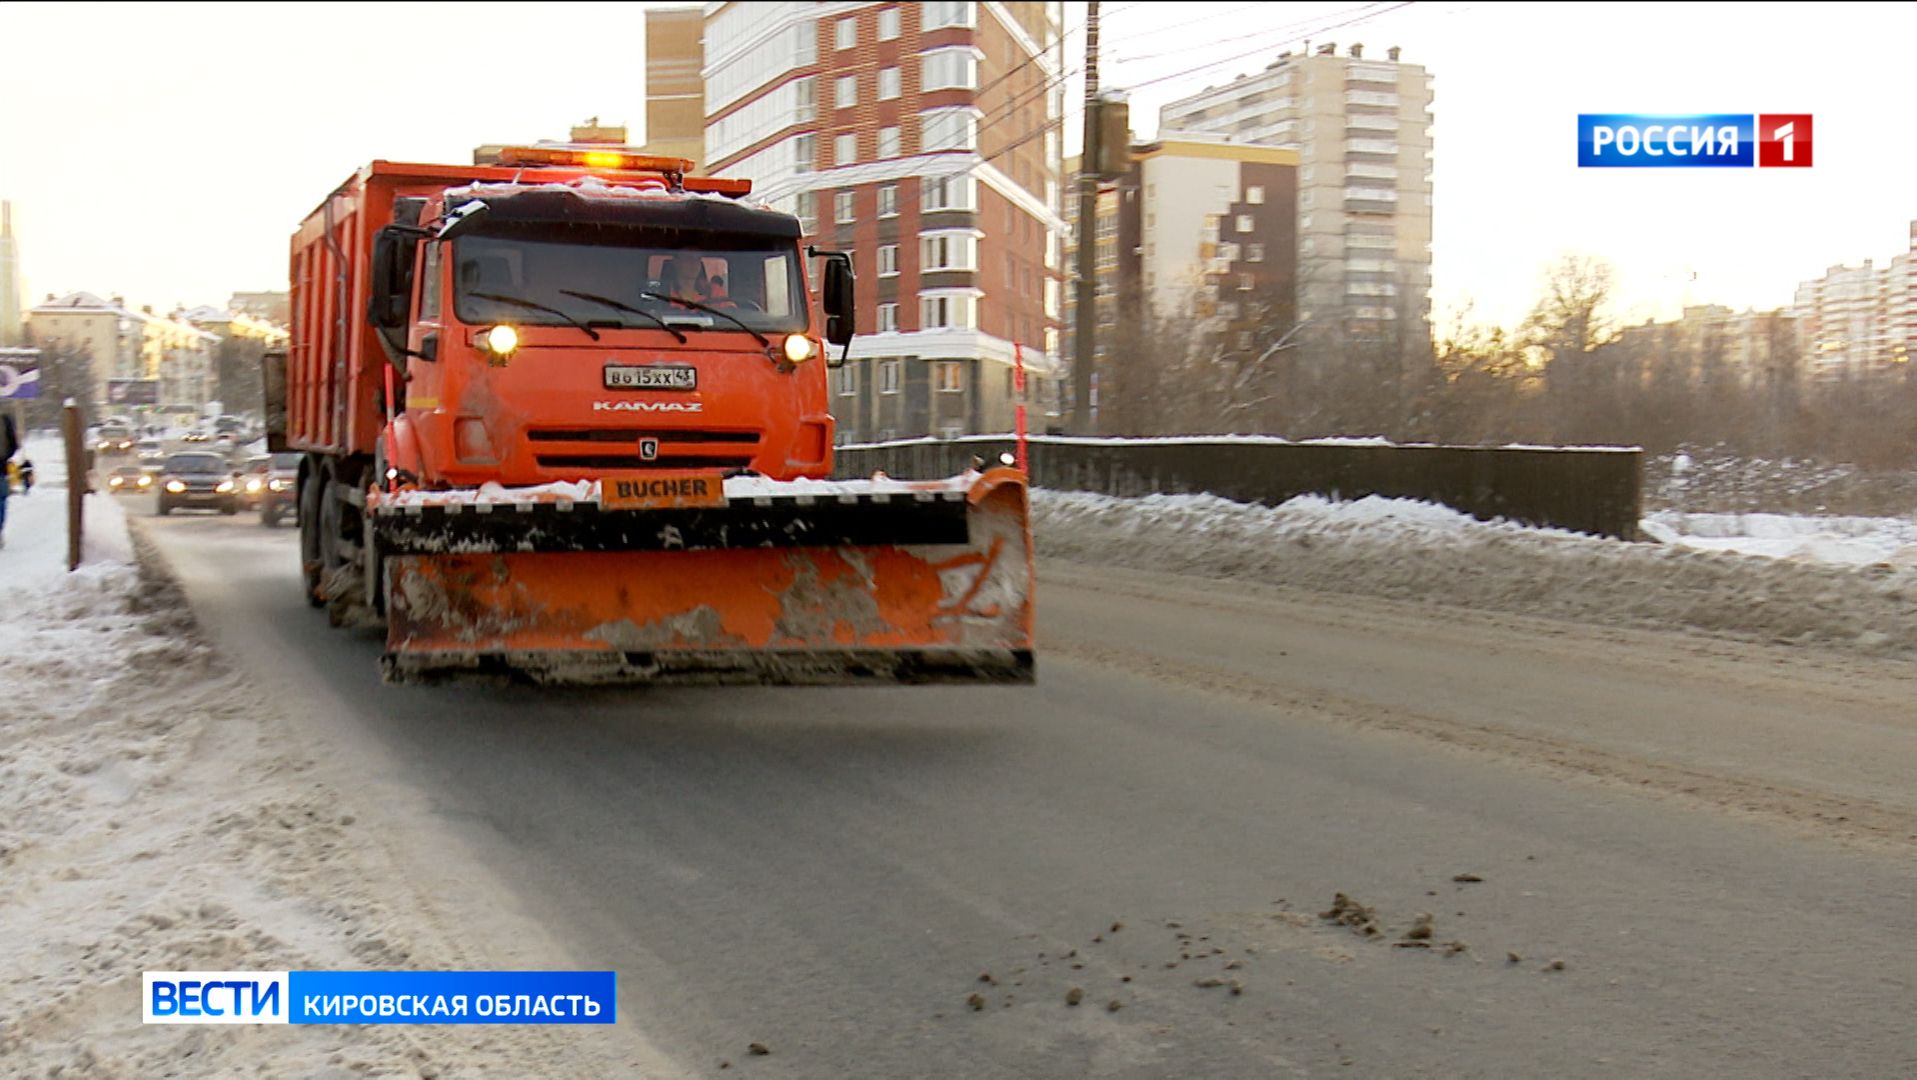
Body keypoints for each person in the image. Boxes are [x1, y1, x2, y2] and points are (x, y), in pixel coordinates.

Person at [0, 411, 17, 548]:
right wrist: (4, 458)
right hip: (0, 468)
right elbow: (13, 445)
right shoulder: (4, 420)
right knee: (1, 501)